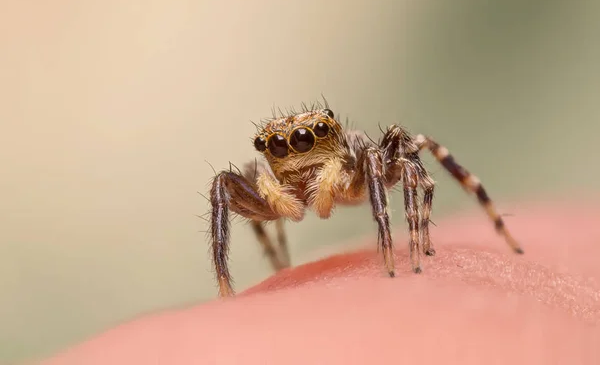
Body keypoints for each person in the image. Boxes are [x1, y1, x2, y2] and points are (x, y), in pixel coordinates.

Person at [43, 201, 600, 364]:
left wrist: (403, 241)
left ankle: (404, 241)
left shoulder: (352, 158)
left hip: (359, 186)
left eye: (310, 143)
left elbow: (410, 160)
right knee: (224, 182)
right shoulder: (271, 183)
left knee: (414, 146)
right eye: (282, 149)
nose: (296, 159)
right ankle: (227, 280)